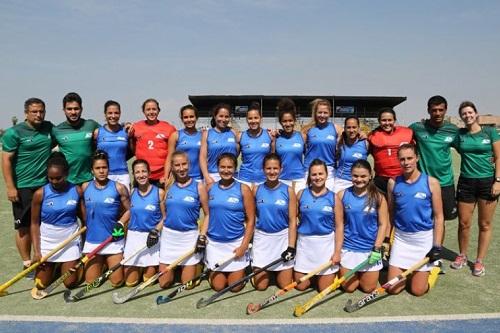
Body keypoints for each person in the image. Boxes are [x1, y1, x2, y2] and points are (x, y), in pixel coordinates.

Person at [2, 98, 53, 274]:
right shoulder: (14, 133)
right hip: (23, 186)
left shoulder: (48, 128)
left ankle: (41, 258)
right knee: (23, 226)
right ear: (26, 113)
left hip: (45, 185)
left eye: (41, 111)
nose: (38, 115)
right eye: (34, 111)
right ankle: (27, 263)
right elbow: (6, 160)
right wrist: (10, 187)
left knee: (41, 223)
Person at [386, 144, 444, 296]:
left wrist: (437, 246)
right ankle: (411, 270)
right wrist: (387, 239)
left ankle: (435, 268)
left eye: (410, 158)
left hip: (423, 240)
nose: (406, 162)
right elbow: (391, 214)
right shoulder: (393, 183)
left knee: (418, 291)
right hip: (401, 239)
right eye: (402, 159)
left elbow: (439, 217)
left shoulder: (431, 183)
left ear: (417, 158)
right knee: (393, 289)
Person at [450, 101, 499, 276]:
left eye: (470, 112)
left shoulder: (490, 132)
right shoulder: (460, 135)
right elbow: (447, 145)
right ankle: (462, 255)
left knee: (484, 224)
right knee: (464, 223)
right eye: (464, 113)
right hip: (466, 183)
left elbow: (498, 157)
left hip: (488, 182)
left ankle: (479, 261)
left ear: (476, 113)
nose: (467, 115)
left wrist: (498, 181)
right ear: (461, 117)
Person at [30, 152, 84, 289]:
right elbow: (34, 224)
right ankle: (54, 266)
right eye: (50, 178)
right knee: (41, 284)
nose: (54, 182)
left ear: (66, 174)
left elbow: (85, 221)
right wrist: (37, 252)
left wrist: (84, 248)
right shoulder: (40, 194)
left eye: (58, 178)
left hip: (69, 239)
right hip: (48, 240)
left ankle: (74, 263)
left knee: (70, 283)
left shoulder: (77, 191)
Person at [204, 153, 254, 292]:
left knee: (235, 287)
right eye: (222, 167)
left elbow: (251, 221)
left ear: (235, 168)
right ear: (217, 168)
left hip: (235, 244)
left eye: (230, 167)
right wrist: (203, 236)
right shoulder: (210, 188)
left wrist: (243, 246)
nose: (226, 170)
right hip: (215, 244)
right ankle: (211, 270)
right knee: (218, 286)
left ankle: (244, 269)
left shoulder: (243, 189)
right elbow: (207, 215)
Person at [159, 151, 209, 288]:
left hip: (189, 237)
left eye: (184, 164)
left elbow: (207, 214)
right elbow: (165, 216)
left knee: (187, 285)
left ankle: (197, 264)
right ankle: (177, 267)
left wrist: (202, 236)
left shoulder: (198, 186)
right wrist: (155, 230)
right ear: (173, 167)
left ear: (189, 164)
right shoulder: (168, 186)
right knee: (164, 283)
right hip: (169, 238)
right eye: (177, 165)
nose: (181, 168)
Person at [81, 150, 130, 287]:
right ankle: (101, 264)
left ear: (108, 169)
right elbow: (82, 209)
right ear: (92, 171)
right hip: (92, 240)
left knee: (117, 281)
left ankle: (108, 262)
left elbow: (131, 209)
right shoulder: (85, 187)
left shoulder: (119, 187)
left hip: (113, 240)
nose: (101, 171)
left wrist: (121, 222)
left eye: (104, 167)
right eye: (98, 168)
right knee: (91, 282)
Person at [339, 160, 388, 293]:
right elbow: (338, 224)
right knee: (349, 287)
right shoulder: (342, 195)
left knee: (368, 288)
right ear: (351, 175)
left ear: (370, 176)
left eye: (363, 176)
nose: (359, 179)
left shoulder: (378, 197)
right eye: (355, 176)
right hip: (348, 249)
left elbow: (383, 224)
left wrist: (377, 248)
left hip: (369, 250)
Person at [294, 159, 343, 292]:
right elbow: (293, 221)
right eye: (314, 174)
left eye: (321, 174)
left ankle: (328, 275)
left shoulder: (334, 198)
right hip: (305, 245)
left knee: (324, 289)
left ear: (327, 175)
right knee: (301, 286)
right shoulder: (301, 194)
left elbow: (339, 227)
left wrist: (337, 252)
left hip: (325, 246)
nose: (317, 177)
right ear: (309, 176)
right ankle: (316, 275)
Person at [252, 153, 297, 290]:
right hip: (262, 239)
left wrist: (291, 246)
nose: (272, 172)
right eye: (269, 168)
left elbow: (292, 220)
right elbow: (251, 218)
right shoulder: (256, 189)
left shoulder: (288, 190)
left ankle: (277, 271)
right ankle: (262, 270)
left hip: (282, 239)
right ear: (263, 169)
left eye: (275, 168)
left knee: (285, 285)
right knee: (261, 287)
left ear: (281, 169)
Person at [410, 95, 459, 221]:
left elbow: (466, 148)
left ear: (445, 110)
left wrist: (491, 155)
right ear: (428, 111)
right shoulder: (417, 128)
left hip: (445, 182)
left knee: (441, 220)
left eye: (440, 110)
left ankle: (438, 242)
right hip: (423, 182)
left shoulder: (452, 130)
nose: (437, 113)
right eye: (434, 110)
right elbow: (398, 135)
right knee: (423, 218)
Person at [123, 159, 165, 287]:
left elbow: (165, 217)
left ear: (149, 173)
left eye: (144, 171)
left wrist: (156, 230)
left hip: (151, 238)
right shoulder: (131, 192)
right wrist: (120, 223)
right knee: (130, 282)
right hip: (133, 238)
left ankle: (146, 267)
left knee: (148, 281)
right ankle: (137, 267)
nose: (141, 175)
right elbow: (128, 213)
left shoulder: (159, 192)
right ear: (133, 175)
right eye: (137, 172)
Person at [52, 92, 99, 185]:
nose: (73, 112)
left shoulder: (91, 125)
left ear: (81, 109)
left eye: (76, 109)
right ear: (64, 110)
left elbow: (109, 132)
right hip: (68, 181)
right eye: (69, 109)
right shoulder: (56, 130)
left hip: (88, 179)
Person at [129, 98, 176, 187]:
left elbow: (172, 153)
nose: (151, 112)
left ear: (158, 111)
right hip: (142, 175)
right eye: (148, 109)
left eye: (154, 109)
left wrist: (166, 176)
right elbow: (133, 149)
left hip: (161, 176)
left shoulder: (169, 128)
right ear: (143, 111)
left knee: (161, 200)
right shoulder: (136, 127)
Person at [368, 107, 413, 194]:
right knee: (381, 206)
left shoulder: (407, 133)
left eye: (390, 120)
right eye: (384, 120)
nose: (387, 123)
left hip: (402, 179)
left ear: (394, 120)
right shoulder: (372, 136)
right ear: (379, 121)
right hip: (381, 181)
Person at [302, 99, 342, 191]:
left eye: (325, 112)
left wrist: (361, 133)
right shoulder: (307, 129)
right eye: (320, 112)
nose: (322, 115)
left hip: (329, 171)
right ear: (315, 113)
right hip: (310, 169)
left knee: (328, 200)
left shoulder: (336, 129)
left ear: (330, 113)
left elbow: (351, 135)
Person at [94, 100, 130, 191]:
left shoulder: (126, 131)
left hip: (122, 174)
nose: (113, 116)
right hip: (103, 174)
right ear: (105, 114)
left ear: (120, 114)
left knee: (125, 203)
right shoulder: (98, 132)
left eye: (116, 113)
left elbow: (131, 151)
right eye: (110, 113)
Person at [200, 104, 239, 185]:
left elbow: (237, 153)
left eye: (226, 116)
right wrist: (207, 177)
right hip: (213, 176)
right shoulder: (207, 134)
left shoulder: (234, 132)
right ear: (215, 116)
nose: (223, 119)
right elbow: (202, 157)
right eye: (221, 116)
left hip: (231, 175)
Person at [274, 98, 307, 193]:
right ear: (280, 122)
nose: (288, 124)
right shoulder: (276, 138)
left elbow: (308, 156)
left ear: (294, 120)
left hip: (299, 179)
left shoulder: (302, 136)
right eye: (284, 121)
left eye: (290, 120)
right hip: (281, 179)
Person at [237, 102, 273, 187]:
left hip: (264, 180)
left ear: (261, 119)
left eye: (256, 118)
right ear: (246, 120)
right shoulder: (240, 136)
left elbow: (273, 158)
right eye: (250, 118)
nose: (253, 121)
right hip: (245, 180)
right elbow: (233, 158)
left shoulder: (269, 135)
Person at [164, 105, 203, 182]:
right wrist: (166, 176)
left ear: (196, 118)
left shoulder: (203, 136)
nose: (189, 120)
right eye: (186, 117)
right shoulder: (175, 135)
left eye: (191, 116)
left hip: (199, 178)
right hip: (179, 178)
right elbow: (169, 158)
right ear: (182, 119)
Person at [334, 116, 369, 193]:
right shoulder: (339, 142)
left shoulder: (365, 143)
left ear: (359, 128)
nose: (351, 130)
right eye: (348, 127)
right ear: (345, 129)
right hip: (341, 181)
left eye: (354, 127)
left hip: (360, 181)